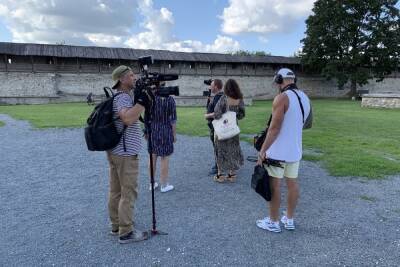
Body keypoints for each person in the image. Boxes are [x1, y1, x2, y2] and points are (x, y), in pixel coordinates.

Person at [256, 68, 311, 233]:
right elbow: (306, 124)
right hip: (295, 150)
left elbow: (274, 129)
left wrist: (262, 150)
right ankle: (289, 219)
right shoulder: (304, 97)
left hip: (278, 152)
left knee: (275, 186)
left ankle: (273, 222)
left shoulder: (281, 98)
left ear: (280, 80)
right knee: (292, 184)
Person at [106, 65, 152, 244]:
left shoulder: (118, 96)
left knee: (116, 191)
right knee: (128, 192)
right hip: (125, 154)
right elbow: (128, 118)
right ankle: (126, 232)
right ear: (122, 79)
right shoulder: (123, 98)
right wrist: (142, 101)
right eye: (131, 75)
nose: (135, 78)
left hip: (116, 151)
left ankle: (117, 225)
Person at [209, 79, 245, 183]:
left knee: (221, 150)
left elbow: (217, 113)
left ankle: (220, 175)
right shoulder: (239, 99)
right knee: (233, 150)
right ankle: (231, 174)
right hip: (234, 129)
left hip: (223, 129)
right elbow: (242, 115)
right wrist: (234, 115)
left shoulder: (224, 98)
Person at [146, 88, 177, 193]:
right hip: (165, 131)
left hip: (153, 130)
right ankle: (164, 184)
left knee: (152, 157)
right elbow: (173, 119)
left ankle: (152, 183)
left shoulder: (150, 98)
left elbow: (146, 117)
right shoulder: (170, 100)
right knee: (164, 158)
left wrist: (146, 131)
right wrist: (174, 134)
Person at [204, 79, 224, 175]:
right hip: (216, 126)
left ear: (216, 86)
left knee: (217, 147)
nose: (210, 87)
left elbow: (217, 113)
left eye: (211, 86)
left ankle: (217, 167)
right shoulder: (219, 97)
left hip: (216, 127)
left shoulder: (219, 97)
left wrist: (207, 115)